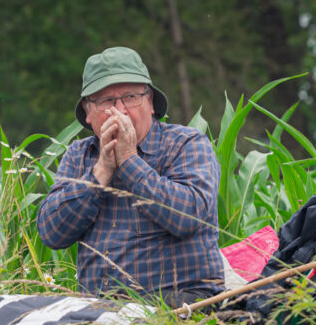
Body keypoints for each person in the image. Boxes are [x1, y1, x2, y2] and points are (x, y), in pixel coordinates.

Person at [37, 46, 223, 306]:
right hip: (98, 310)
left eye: (131, 97)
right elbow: (52, 233)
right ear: (88, 112)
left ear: (150, 103)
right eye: (106, 101)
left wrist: (128, 161)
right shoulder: (78, 155)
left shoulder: (186, 144)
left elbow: (188, 217)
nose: (120, 111)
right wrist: (101, 171)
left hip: (182, 304)